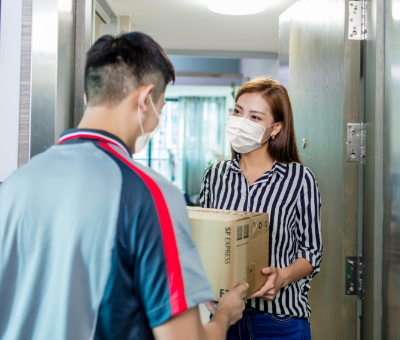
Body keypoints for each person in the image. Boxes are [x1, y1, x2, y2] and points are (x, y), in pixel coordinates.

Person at [0, 32, 247, 340]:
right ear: (146, 100)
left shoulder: (11, 188)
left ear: (89, 97)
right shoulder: (150, 195)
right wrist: (224, 314)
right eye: (161, 106)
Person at [200, 78, 323, 339]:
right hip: (225, 318)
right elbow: (204, 241)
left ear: (276, 128)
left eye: (255, 117)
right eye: (237, 111)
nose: (241, 122)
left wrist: (283, 276)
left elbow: (312, 252)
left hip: (280, 322)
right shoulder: (215, 175)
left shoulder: (299, 179)